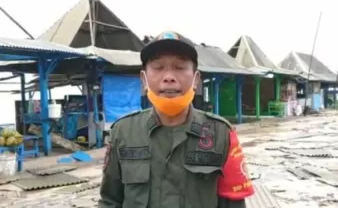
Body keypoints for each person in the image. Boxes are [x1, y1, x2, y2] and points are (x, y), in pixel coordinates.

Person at [99, 31, 254, 208]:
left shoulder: (221, 134)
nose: (169, 77)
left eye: (180, 68)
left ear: (196, 79)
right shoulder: (123, 131)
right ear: (144, 79)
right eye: (158, 67)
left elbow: (233, 203)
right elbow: (110, 201)